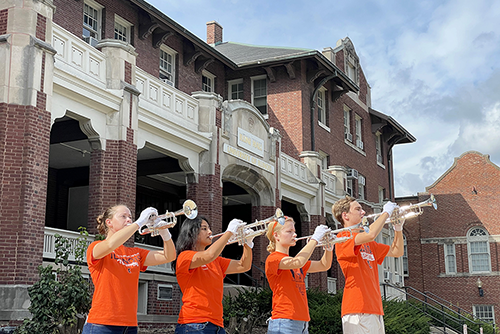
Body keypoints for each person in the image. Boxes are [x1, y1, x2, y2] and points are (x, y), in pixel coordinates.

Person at [83, 205, 176, 334]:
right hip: (102, 324)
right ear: (108, 222)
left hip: (130, 325)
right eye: (123, 216)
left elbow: (169, 256)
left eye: (130, 217)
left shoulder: (135, 252)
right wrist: (139, 222)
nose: (128, 220)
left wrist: (164, 233)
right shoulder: (95, 247)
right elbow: (110, 244)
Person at [333, 196, 403, 334]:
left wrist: (398, 228)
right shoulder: (342, 238)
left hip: (375, 308)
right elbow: (371, 233)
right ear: (345, 215)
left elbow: (397, 251)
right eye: (358, 209)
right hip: (356, 308)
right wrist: (386, 213)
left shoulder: (368, 243)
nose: (363, 212)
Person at [174, 215, 253, 334]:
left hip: (217, 325)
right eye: (204, 228)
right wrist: (229, 232)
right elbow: (209, 255)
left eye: (209, 228)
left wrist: (248, 244)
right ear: (191, 232)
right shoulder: (184, 256)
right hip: (193, 325)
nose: (210, 232)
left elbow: (244, 266)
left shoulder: (216, 261)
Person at [265, 216, 333, 334]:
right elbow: (298, 262)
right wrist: (315, 238)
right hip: (284, 321)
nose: (294, 235)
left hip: (302, 323)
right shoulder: (273, 259)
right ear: (276, 235)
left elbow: (324, 265)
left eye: (294, 232)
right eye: (289, 231)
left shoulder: (294, 261)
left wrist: (329, 248)